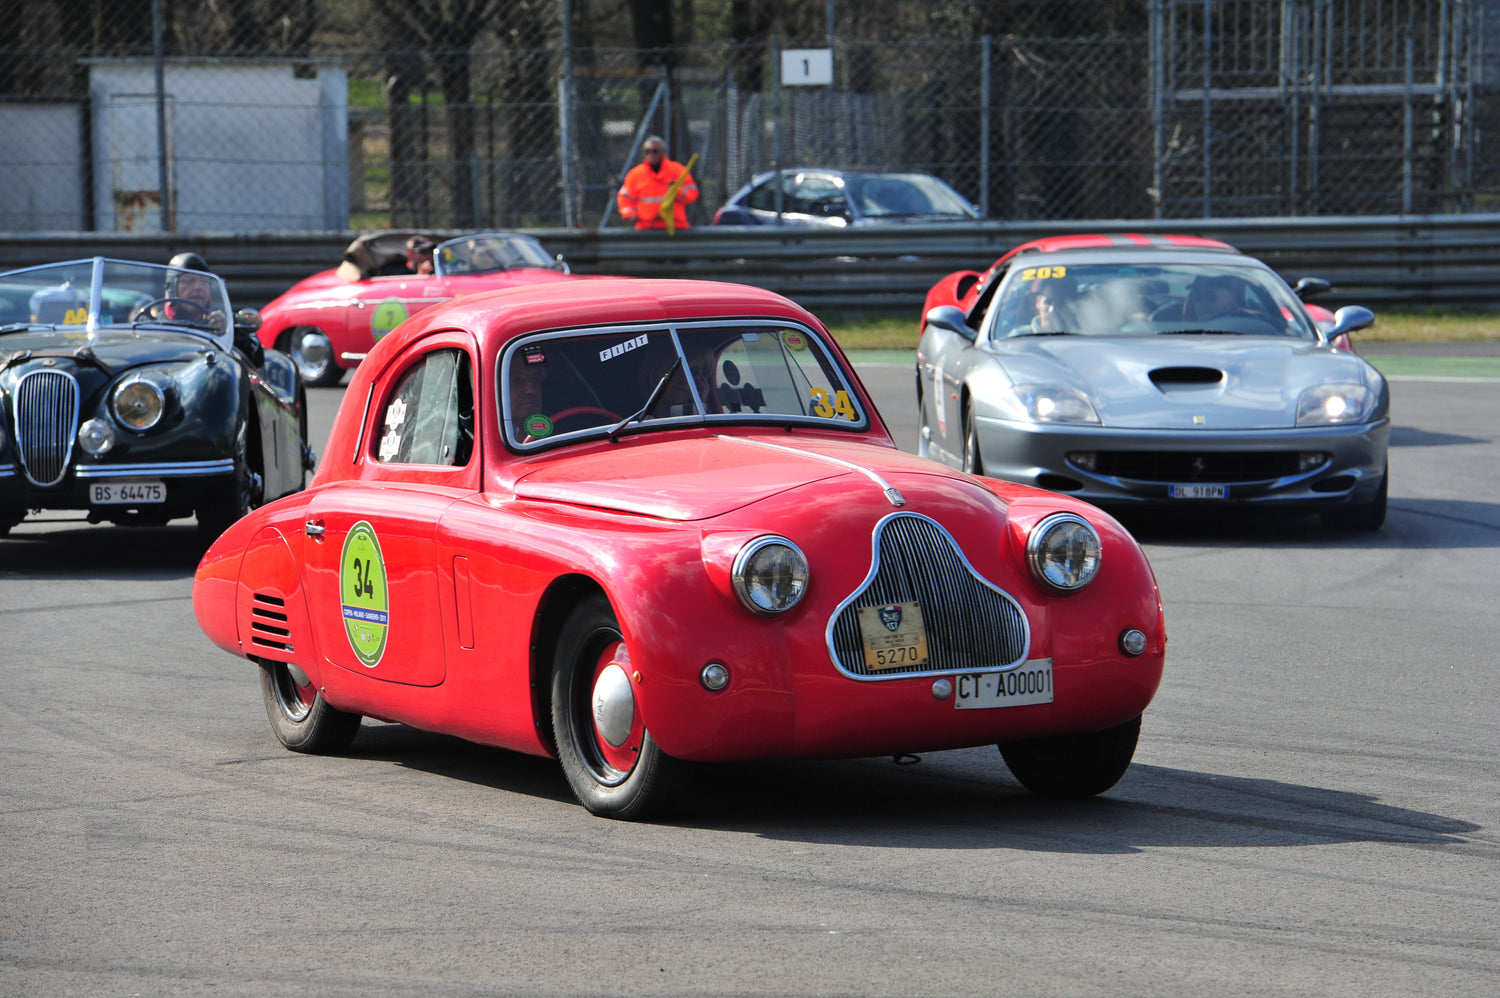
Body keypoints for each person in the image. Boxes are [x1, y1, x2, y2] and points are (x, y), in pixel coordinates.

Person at [616, 136, 698, 232]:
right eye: (647, 151)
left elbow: (693, 194)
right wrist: (630, 214)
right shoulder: (635, 174)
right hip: (645, 228)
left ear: (663, 152)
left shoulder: (677, 171)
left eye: (655, 151)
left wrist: (677, 192)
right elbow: (624, 198)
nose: (651, 154)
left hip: (674, 227)